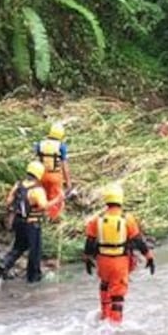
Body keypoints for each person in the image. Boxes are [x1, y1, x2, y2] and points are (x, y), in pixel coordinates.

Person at [83, 184, 155, 324]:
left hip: (102, 262)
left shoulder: (97, 219)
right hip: (119, 262)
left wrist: (87, 259)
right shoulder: (127, 219)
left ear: (106, 200)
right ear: (120, 199)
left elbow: (89, 242)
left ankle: (105, 315)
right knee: (118, 294)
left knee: (105, 285)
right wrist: (149, 257)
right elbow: (138, 241)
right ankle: (114, 327)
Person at [0, 161, 49, 282]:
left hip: (18, 221)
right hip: (32, 224)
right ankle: (33, 276)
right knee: (35, 250)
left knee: (19, 246)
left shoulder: (18, 185)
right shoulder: (37, 190)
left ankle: (5, 264)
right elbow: (43, 206)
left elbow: (8, 201)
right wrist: (58, 200)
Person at [33, 121, 72, 221]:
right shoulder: (61, 146)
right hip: (55, 176)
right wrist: (68, 183)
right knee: (56, 199)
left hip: (41, 175)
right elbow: (65, 166)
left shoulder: (40, 145)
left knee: (42, 197)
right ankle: (53, 220)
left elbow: (36, 161)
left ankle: (41, 218)